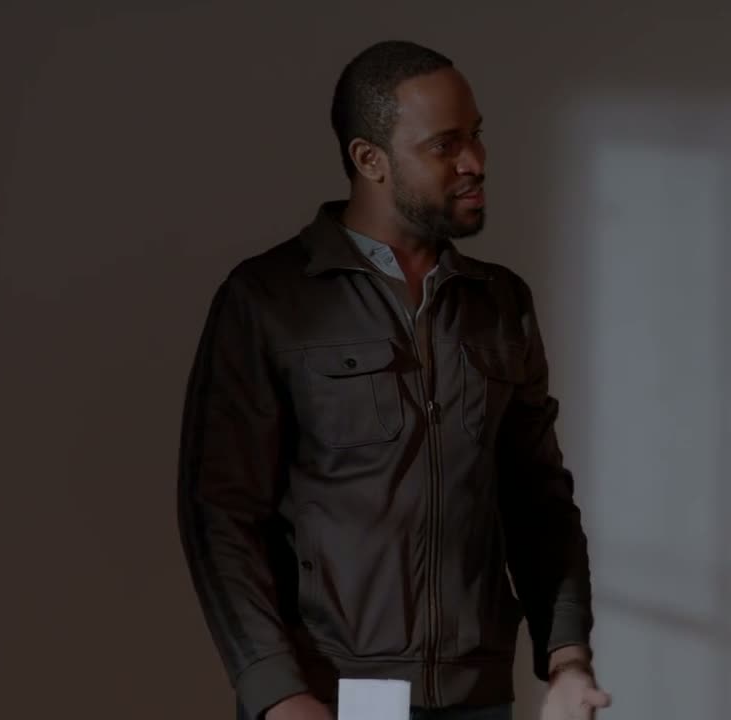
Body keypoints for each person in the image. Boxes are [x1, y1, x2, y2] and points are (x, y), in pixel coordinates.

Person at [177, 40, 612, 720]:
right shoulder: (267, 300)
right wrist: (277, 691)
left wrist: (567, 658)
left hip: (477, 699)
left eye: (475, 135)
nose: (475, 161)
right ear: (370, 159)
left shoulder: (501, 303)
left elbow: (539, 502)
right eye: (444, 145)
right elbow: (221, 515)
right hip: (329, 697)